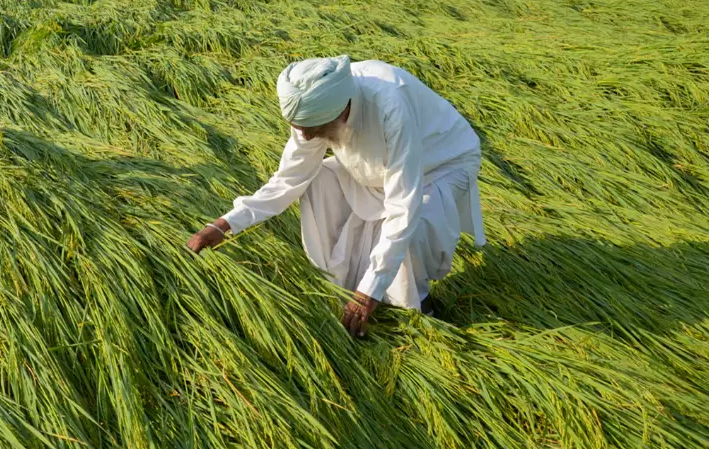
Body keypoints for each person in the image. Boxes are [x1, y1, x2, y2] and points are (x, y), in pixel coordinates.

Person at [187, 56, 485, 337]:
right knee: (317, 180)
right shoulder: (314, 108)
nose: (304, 137)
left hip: (440, 164)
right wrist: (224, 224)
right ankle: (347, 288)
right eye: (298, 129)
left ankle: (418, 307)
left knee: (412, 227)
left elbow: (403, 205)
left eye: (310, 129)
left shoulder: (390, 105)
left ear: (339, 112)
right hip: (375, 169)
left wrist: (370, 291)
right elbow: (289, 179)